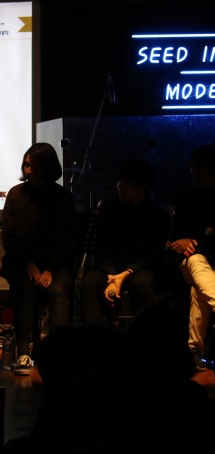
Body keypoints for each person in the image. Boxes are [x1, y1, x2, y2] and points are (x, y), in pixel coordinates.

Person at [0, 143, 76, 376]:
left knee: (58, 291)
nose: (27, 170)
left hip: (57, 263)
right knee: (25, 288)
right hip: (22, 261)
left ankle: (59, 353)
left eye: (32, 165)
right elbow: (10, 237)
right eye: (25, 165)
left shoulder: (62, 197)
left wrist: (50, 268)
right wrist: (29, 264)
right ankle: (24, 352)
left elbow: (66, 238)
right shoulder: (16, 194)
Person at [79, 158, 172, 328]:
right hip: (110, 268)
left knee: (143, 284)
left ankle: (146, 334)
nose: (120, 186)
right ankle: (95, 335)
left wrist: (127, 273)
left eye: (127, 183)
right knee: (88, 283)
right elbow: (103, 246)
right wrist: (112, 276)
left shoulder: (158, 215)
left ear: (142, 187)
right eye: (119, 181)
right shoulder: (108, 208)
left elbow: (152, 254)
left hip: (141, 268)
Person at [167, 143, 215, 372]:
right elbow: (175, 240)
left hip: (207, 263)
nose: (194, 172)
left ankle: (195, 348)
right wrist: (189, 243)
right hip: (190, 260)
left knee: (199, 288)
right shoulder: (187, 196)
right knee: (197, 263)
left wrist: (196, 241)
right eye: (193, 167)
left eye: (201, 168)